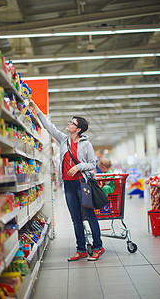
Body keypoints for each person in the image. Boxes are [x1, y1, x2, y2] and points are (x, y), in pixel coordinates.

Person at [29, 100, 105, 262]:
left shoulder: (86, 144)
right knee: (76, 218)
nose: (69, 124)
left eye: (72, 123)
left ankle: (98, 247)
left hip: (82, 184)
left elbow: (93, 164)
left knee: (90, 215)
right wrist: (36, 108)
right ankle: (81, 249)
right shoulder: (64, 140)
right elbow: (50, 127)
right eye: (70, 121)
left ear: (78, 129)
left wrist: (78, 167)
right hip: (68, 185)